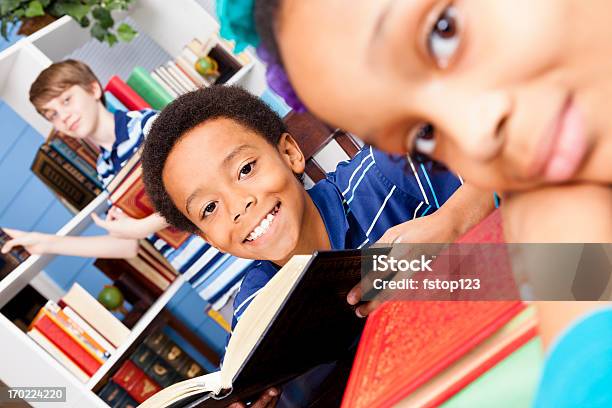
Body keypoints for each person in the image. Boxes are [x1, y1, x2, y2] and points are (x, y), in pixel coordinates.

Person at [218, 1, 612, 406]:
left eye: (444, 31)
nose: (477, 138)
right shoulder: (555, 203)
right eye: (422, 136)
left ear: (291, 155)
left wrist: (458, 221)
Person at [140, 85, 493, 407]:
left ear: (290, 153)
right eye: (209, 208)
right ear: (207, 239)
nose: (238, 206)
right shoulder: (255, 308)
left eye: (246, 169)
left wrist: (454, 223)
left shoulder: (390, 172)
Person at [1, 59, 169, 258]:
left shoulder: (149, 125)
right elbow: (126, 246)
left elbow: (202, 188)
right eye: (52, 114)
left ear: (94, 89)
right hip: (200, 280)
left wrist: (143, 227)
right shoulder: (104, 168)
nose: (62, 116)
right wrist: (44, 243)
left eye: (66, 100)